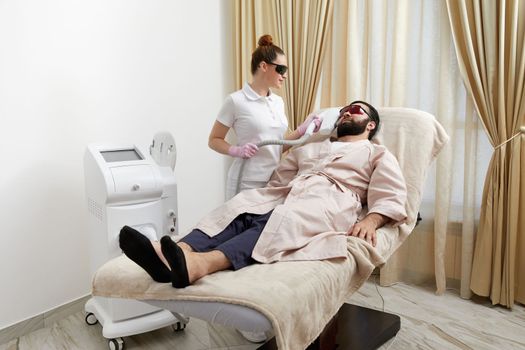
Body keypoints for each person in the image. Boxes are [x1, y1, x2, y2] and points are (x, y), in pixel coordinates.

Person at [119, 101, 407, 290]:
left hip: (330, 199)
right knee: (243, 206)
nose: (346, 112)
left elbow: (391, 191)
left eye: (355, 110)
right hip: (288, 191)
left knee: (282, 220)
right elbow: (281, 177)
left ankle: (199, 265)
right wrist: (266, 196)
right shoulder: (308, 149)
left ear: (370, 125)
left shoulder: (377, 153)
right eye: (343, 110)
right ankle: (176, 253)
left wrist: (371, 220)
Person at [208, 34, 321, 200]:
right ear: (263, 66)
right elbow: (214, 140)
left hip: (274, 180)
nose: (285, 75)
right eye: (281, 69)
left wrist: (303, 129)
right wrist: (236, 150)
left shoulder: (278, 102)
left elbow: (275, 146)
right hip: (245, 181)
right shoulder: (236, 100)